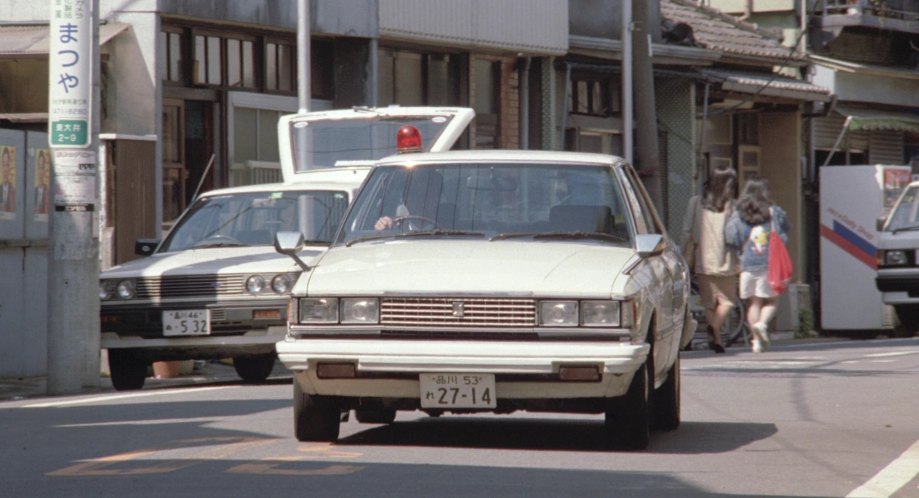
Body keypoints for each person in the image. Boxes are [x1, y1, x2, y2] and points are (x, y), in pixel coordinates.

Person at [725, 178, 791, 353]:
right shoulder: (774, 212)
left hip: (747, 263)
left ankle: (755, 340)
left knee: (753, 303)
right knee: (772, 301)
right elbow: (785, 234)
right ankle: (762, 324)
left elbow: (731, 237)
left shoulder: (739, 213)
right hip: (770, 264)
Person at [681, 166, 739, 353]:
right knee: (727, 301)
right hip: (726, 260)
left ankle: (716, 338)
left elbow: (686, 231)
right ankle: (715, 327)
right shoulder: (732, 206)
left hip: (702, 260)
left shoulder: (695, 202)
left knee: (709, 303)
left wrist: (683, 254)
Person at [0, 146, 15, 213]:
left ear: (9, 168)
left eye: (7, 165)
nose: (5, 169)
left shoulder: (13, 191)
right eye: (3, 165)